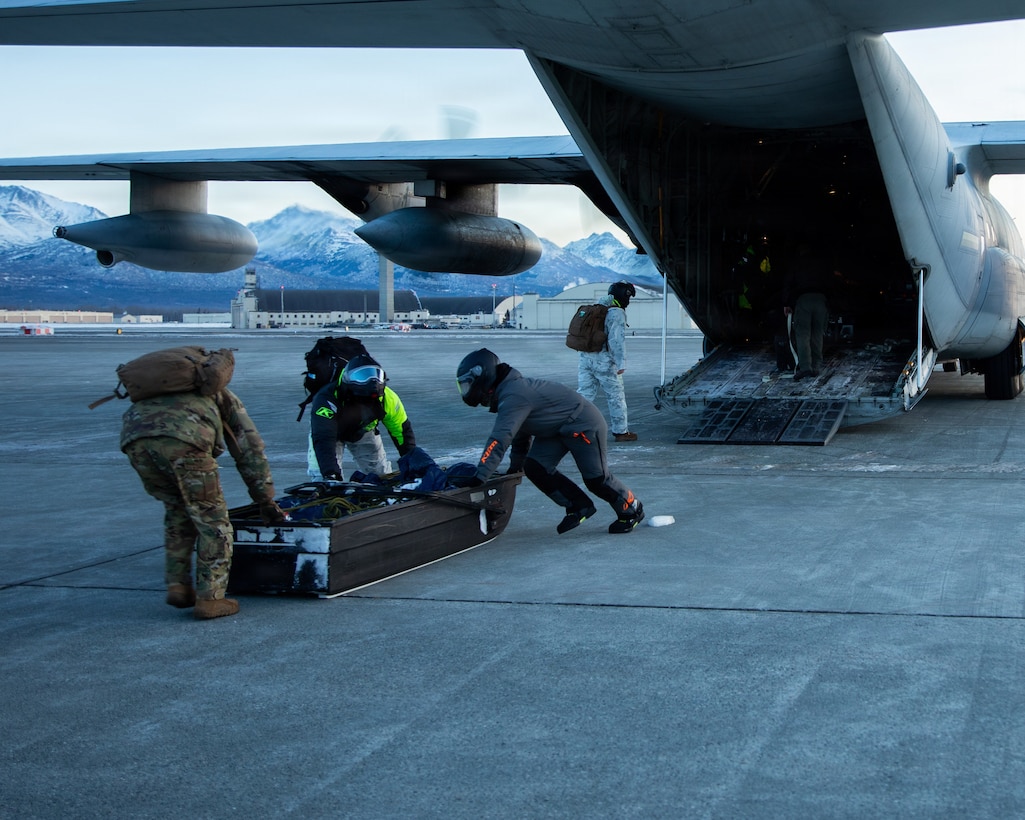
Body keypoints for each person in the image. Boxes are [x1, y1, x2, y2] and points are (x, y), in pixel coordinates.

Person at [121, 382, 285, 620]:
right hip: (185, 442)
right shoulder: (222, 396)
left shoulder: (157, 389)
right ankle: (211, 599)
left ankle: (178, 586)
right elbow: (250, 449)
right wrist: (265, 501)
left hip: (135, 439)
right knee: (213, 521)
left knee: (178, 510)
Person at [457, 348, 644, 535]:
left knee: (597, 479)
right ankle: (579, 505)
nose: (466, 390)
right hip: (556, 430)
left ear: (481, 377)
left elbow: (500, 438)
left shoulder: (514, 394)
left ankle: (632, 509)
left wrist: (480, 476)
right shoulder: (508, 393)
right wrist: (516, 466)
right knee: (534, 467)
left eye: (466, 385)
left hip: (583, 425)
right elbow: (520, 432)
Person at [309, 353, 415, 480]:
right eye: (363, 376)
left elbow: (402, 432)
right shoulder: (326, 399)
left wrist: (413, 462)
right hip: (331, 434)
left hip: (363, 431)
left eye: (375, 375)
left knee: (382, 477)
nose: (372, 381)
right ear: (348, 379)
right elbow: (324, 439)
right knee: (325, 480)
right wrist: (331, 473)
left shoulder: (388, 398)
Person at [577, 281, 638, 442]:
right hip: (604, 361)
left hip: (585, 358)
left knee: (584, 395)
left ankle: (575, 428)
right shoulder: (616, 313)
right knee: (615, 397)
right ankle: (621, 432)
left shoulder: (596, 308)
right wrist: (621, 363)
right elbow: (616, 341)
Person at [782, 245, 834, 380]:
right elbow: (831, 281)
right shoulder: (823, 264)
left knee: (803, 334)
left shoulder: (796, 263)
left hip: (803, 299)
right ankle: (816, 366)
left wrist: (787, 303)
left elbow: (788, 282)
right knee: (817, 334)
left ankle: (805, 367)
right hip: (821, 299)